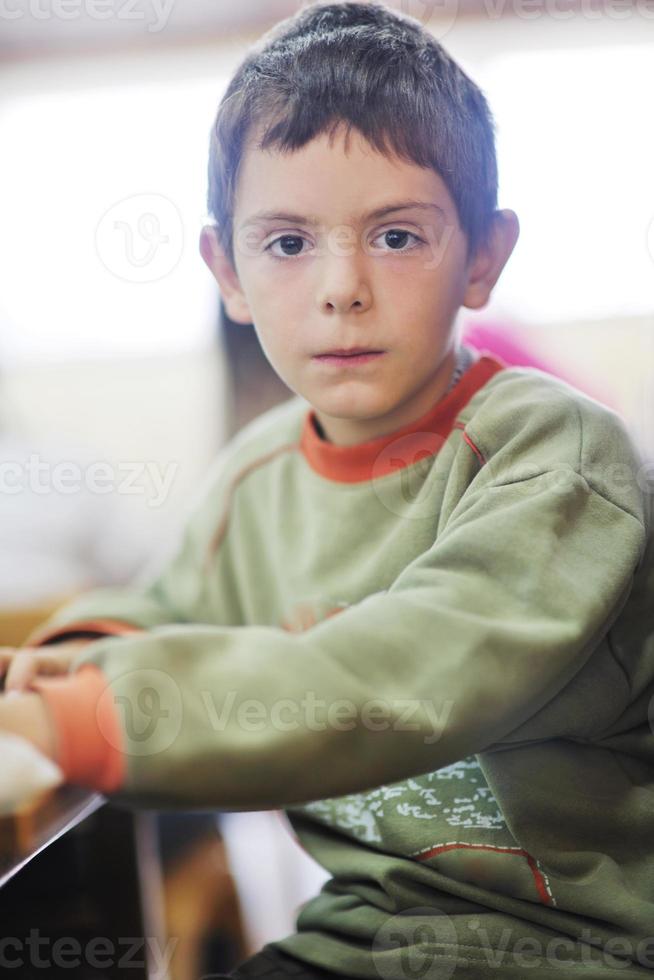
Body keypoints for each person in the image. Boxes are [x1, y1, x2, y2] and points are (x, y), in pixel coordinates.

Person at [1, 2, 653, 977]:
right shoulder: (259, 474)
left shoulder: (557, 457)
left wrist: (92, 718)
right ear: (228, 270)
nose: (342, 286)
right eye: (289, 243)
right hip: (359, 936)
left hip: (578, 950)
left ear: (483, 255)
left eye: (396, 236)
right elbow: (159, 609)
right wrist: (51, 673)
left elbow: (389, 683)